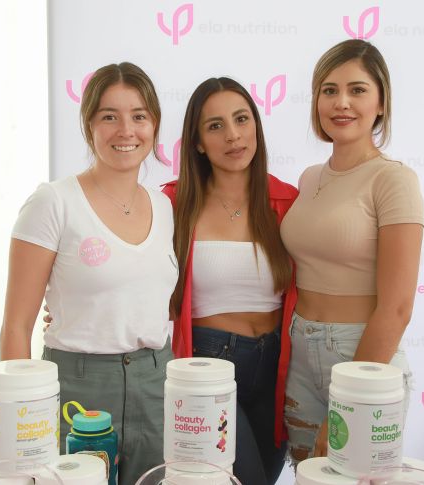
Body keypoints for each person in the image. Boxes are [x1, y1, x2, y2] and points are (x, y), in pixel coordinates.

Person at [0, 62, 178, 485]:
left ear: (154, 125)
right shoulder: (53, 202)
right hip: (79, 388)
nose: (126, 130)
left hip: (156, 382)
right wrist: (20, 423)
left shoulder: (165, 206)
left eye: (139, 116)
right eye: (109, 116)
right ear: (89, 125)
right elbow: (16, 325)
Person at [279, 39, 424, 462]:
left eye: (357, 90)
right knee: (310, 474)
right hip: (300, 350)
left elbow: (397, 308)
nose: (341, 102)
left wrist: (352, 397)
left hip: (362, 352)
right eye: (329, 90)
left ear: (381, 102)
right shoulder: (308, 178)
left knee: (355, 472)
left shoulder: (393, 180)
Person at [161, 77, 298, 484]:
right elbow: (133, 271)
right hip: (208, 362)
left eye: (242, 119)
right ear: (198, 142)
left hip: (276, 365)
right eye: (215, 125)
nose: (233, 135)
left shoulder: (287, 201)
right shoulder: (172, 203)